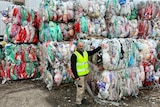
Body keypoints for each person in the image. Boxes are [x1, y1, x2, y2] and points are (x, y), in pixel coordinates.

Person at [71, 41, 104, 106]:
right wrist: (76, 76)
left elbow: (92, 52)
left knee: (84, 87)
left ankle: (81, 99)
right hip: (79, 75)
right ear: (77, 46)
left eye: (82, 46)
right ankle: (78, 102)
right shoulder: (74, 55)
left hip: (85, 74)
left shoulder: (85, 52)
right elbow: (73, 66)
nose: (81, 47)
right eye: (80, 46)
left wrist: (100, 47)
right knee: (80, 88)